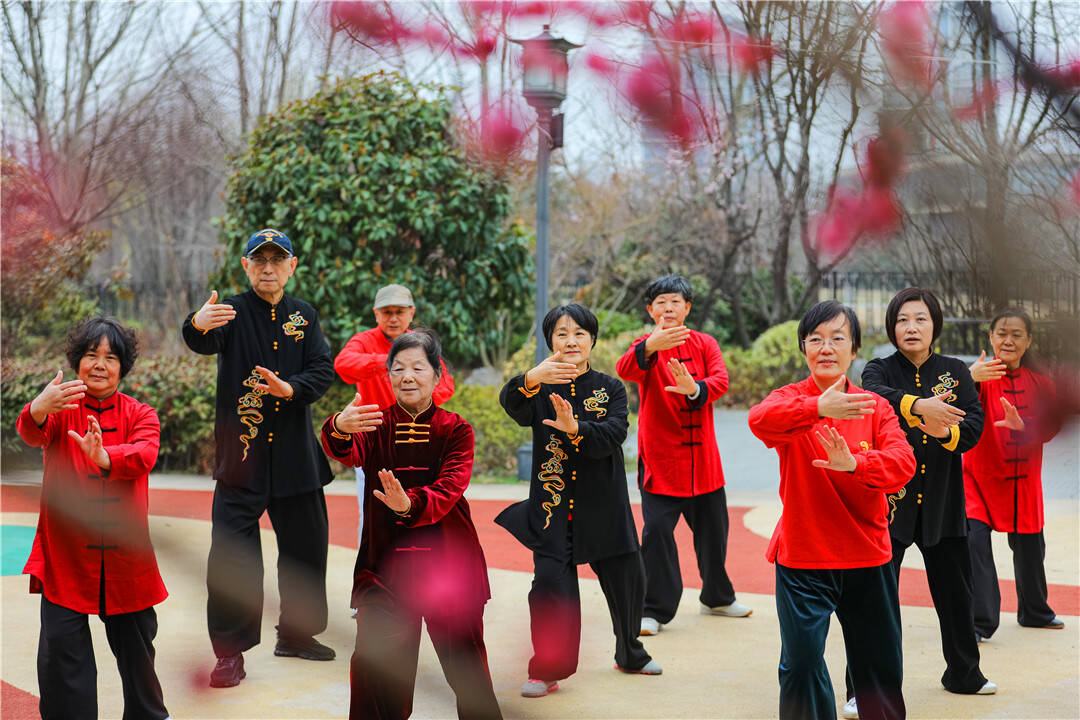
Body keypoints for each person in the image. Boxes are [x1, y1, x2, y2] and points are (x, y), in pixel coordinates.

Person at [182, 228, 336, 688]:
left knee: (307, 550)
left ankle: (297, 634)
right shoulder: (228, 312)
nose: (268, 267)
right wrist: (198, 322)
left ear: (292, 266)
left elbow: (322, 369)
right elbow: (199, 339)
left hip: (295, 460)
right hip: (240, 460)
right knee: (232, 559)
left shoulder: (305, 317)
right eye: (259, 260)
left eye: (277, 259)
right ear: (246, 267)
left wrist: (291, 389)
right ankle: (229, 653)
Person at [321, 330, 502, 720]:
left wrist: (409, 505)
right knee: (374, 670)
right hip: (385, 567)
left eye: (418, 368)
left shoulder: (456, 429)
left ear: (437, 375)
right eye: (398, 368)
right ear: (388, 377)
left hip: (449, 566)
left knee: (467, 670)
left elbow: (451, 486)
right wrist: (338, 425)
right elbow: (344, 450)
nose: (407, 376)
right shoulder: (375, 423)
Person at [748, 301, 915, 720]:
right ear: (804, 347)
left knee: (878, 668)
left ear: (854, 349)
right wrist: (818, 408)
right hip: (805, 557)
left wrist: (857, 464)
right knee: (801, 664)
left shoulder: (875, 407)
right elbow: (759, 420)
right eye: (816, 339)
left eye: (838, 338)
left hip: (867, 556)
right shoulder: (790, 400)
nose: (826, 347)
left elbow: (903, 465)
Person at [841, 288, 994, 719]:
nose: (911, 327)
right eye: (903, 319)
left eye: (921, 319)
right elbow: (874, 397)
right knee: (873, 601)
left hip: (944, 504)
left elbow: (973, 425)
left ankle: (964, 674)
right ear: (892, 327)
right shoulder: (878, 369)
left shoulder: (957, 373)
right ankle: (863, 690)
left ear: (934, 326)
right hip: (890, 506)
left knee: (956, 595)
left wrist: (943, 431)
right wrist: (916, 406)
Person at [498, 303, 661, 699]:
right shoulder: (536, 386)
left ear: (592, 340)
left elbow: (613, 435)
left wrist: (576, 429)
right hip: (552, 509)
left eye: (579, 334)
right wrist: (530, 378)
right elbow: (512, 405)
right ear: (550, 340)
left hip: (604, 507)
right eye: (561, 334)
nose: (570, 341)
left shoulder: (611, 388)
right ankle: (547, 668)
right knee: (550, 587)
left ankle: (630, 652)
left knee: (627, 582)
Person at [16, 317, 170, 720]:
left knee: (139, 659)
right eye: (90, 355)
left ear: (124, 367)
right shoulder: (60, 408)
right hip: (64, 556)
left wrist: (105, 457)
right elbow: (32, 432)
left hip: (127, 560)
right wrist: (36, 409)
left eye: (111, 357)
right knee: (63, 657)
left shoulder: (142, 414)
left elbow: (144, 454)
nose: (100, 364)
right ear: (76, 361)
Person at [615, 274, 750, 637]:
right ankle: (653, 610)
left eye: (676, 301)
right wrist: (649, 347)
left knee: (714, 535)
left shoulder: (706, 344)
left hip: (704, 463)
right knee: (656, 535)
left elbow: (720, 381)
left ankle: (717, 597)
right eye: (661, 302)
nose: (669, 307)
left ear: (687, 308)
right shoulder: (643, 346)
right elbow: (624, 369)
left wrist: (696, 388)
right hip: (661, 462)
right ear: (650, 310)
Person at [965, 307, 1064, 639]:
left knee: (1031, 547)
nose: (1008, 340)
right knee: (974, 543)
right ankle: (980, 622)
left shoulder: (1042, 383)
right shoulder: (976, 377)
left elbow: (1052, 427)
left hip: (1023, 481)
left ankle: (1035, 611)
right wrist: (969, 377)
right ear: (991, 338)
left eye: (1016, 334)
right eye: (1001, 333)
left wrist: (1025, 425)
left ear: (1028, 340)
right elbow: (952, 405)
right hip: (977, 478)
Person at [333, 284, 455, 547]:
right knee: (372, 517)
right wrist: (389, 360)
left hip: (420, 444)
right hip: (374, 444)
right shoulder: (364, 341)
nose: (393, 318)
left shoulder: (424, 344)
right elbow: (343, 364)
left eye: (400, 311)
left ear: (411, 313)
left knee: (421, 512)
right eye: (386, 312)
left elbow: (446, 385)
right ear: (376, 314)